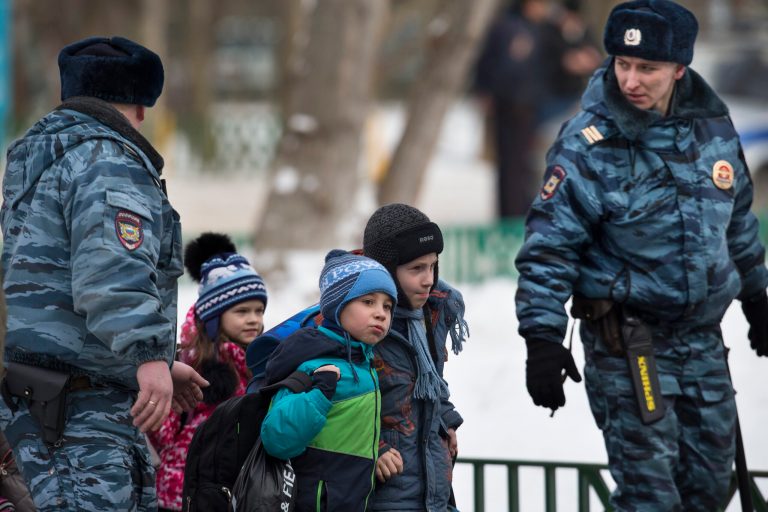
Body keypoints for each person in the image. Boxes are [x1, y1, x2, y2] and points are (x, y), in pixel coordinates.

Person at [515, 1, 768, 510]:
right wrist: (541, 337)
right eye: (622, 64)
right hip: (629, 347)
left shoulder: (713, 129)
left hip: (702, 344)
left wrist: (758, 297)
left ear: (680, 68)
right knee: (650, 498)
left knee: (710, 490)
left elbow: (737, 221)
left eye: (648, 68)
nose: (632, 79)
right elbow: (548, 249)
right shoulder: (586, 143)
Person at [0, 36, 208, 511]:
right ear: (136, 102)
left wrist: (154, 359)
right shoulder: (107, 160)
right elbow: (110, 274)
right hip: (84, 413)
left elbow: (51, 285)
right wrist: (147, 356)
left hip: (42, 397)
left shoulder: (43, 158)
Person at [260, 249, 397, 511]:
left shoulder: (365, 367)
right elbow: (276, 439)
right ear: (338, 305)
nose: (380, 313)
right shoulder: (314, 364)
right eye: (368, 302)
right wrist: (319, 396)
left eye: (387, 306)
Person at [148, 233, 267, 512]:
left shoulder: (261, 364)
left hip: (237, 491)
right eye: (242, 311)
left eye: (259, 311)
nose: (254, 319)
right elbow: (160, 432)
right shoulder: (192, 366)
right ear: (214, 318)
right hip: (182, 493)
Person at [362, 203, 469, 511]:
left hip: (432, 486)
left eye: (433, 266)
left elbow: (425, 385)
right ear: (386, 269)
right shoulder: (362, 323)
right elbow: (341, 403)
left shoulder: (429, 313)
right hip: (386, 491)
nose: (428, 280)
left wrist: (444, 420)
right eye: (416, 269)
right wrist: (375, 448)